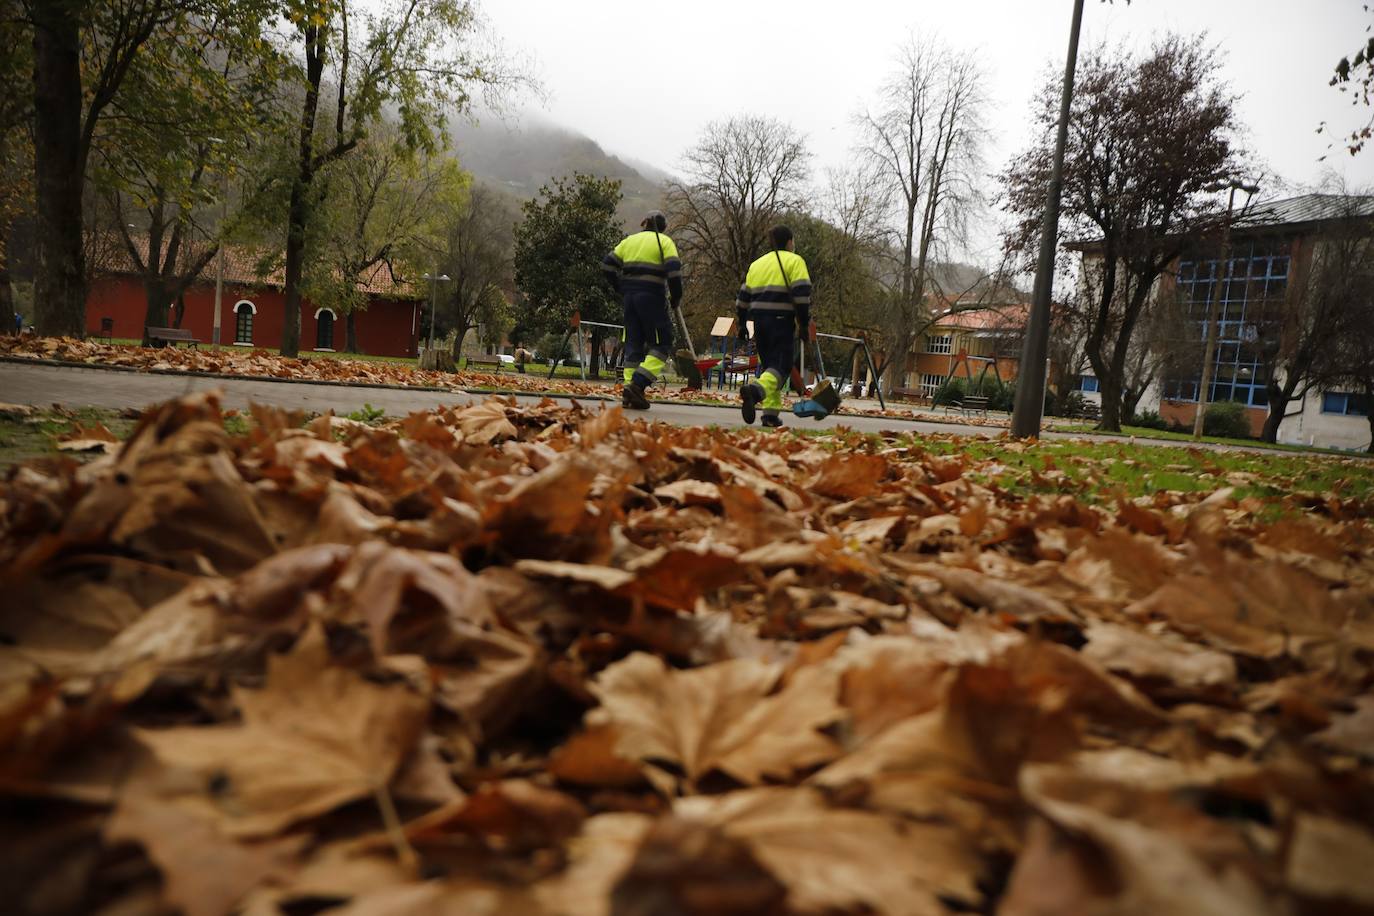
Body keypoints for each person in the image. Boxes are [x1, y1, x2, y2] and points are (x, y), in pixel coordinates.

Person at [601, 211, 683, 410]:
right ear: (663, 228)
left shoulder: (629, 241)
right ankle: (637, 384)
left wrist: (619, 287)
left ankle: (629, 393)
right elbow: (673, 271)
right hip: (652, 297)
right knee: (662, 343)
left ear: (643, 222)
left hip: (629, 299)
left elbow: (607, 265)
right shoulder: (664, 242)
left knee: (633, 345)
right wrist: (676, 297)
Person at [736, 225, 816, 428]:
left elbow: (742, 298)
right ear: (789, 242)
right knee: (781, 366)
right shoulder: (795, 261)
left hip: (759, 323)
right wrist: (804, 324)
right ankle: (755, 392)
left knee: (770, 366)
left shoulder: (757, 264)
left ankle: (770, 415)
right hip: (782, 321)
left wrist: (742, 324)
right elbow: (802, 294)